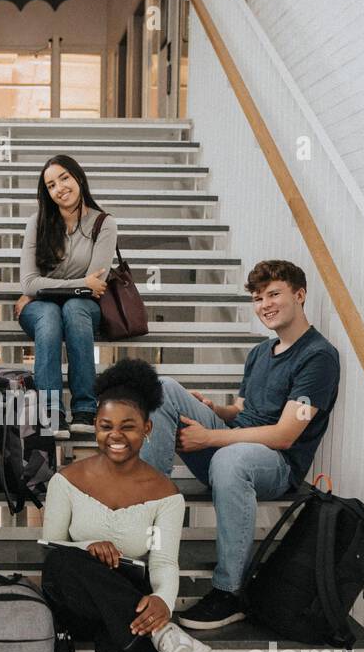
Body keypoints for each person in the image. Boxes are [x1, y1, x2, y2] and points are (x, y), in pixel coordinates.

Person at [41, 359, 209, 652]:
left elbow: (164, 563)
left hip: (126, 604)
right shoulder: (66, 480)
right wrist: (86, 547)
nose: (116, 436)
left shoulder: (164, 495)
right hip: (71, 595)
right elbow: (51, 547)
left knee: (130, 624)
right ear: (95, 425)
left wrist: (163, 601)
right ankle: (167, 637)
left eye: (128, 427)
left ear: (148, 428)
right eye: (106, 425)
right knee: (64, 561)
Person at [140, 259, 341, 630]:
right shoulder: (260, 353)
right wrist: (215, 410)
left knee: (230, 460)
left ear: (300, 295)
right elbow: (245, 409)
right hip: (231, 447)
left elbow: (284, 434)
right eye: (257, 298)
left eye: (273, 294)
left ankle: (229, 592)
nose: (264, 304)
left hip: (276, 464)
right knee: (164, 387)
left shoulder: (319, 357)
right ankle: (143, 515)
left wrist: (210, 436)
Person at [15, 155, 117, 437]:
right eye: (50, 185)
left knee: (74, 308)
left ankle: (85, 408)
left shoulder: (104, 224)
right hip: (39, 309)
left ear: (78, 178)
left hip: (83, 310)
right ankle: (51, 412)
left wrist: (49, 288)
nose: (59, 188)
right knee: (50, 314)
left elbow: (96, 285)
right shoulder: (37, 223)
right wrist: (80, 282)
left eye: (64, 178)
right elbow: (28, 283)